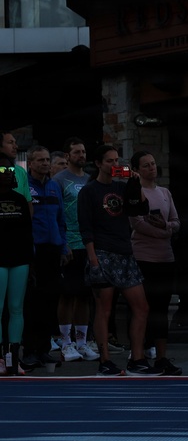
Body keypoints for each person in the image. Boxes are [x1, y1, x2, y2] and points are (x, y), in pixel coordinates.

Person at [78, 145, 161, 376]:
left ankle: (137, 359)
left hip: (125, 253)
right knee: (104, 310)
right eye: (109, 161)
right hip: (102, 253)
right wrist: (93, 259)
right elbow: (85, 227)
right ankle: (104, 361)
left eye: (117, 161)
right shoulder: (89, 191)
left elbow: (141, 209)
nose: (114, 165)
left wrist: (136, 184)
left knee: (141, 306)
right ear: (98, 164)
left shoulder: (121, 187)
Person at [129, 150, 183, 375]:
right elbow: (137, 223)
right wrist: (162, 232)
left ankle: (162, 357)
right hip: (144, 257)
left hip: (165, 258)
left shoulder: (165, 192)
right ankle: (138, 355)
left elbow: (175, 221)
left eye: (153, 164)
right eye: (146, 165)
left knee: (161, 308)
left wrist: (167, 228)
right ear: (137, 170)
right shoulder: (134, 191)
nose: (152, 168)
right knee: (143, 308)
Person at [52, 138, 100, 362]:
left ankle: (81, 342)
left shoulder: (90, 179)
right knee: (67, 294)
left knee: (84, 296)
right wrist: (63, 243)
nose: (81, 155)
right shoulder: (59, 180)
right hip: (69, 244)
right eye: (76, 152)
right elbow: (55, 214)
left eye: (83, 151)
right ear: (67, 155)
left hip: (87, 244)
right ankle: (66, 343)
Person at [22, 146, 67, 371]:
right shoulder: (25, 187)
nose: (45, 163)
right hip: (34, 250)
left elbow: (61, 219)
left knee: (50, 302)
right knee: (32, 302)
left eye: (47, 160)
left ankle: (43, 349)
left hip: (53, 249)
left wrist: (64, 246)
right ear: (30, 163)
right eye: (40, 160)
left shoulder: (53, 187)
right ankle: (29, 351)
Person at [0, 164, 34, 376]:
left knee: (16, 307)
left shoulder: (20, 199)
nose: (7, 175)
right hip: (0, 259)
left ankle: (13, 358)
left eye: (9, 172)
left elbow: (27, 229)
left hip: (20, 257)